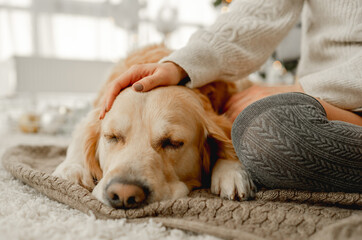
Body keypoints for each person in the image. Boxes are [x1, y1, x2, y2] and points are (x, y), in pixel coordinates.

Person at [99, 0, 362, 193]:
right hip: (319, 107)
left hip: (318, 97)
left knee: (268, 134)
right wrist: (179, 66)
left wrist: (302, 90)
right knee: (258, 128)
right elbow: (257, 14)